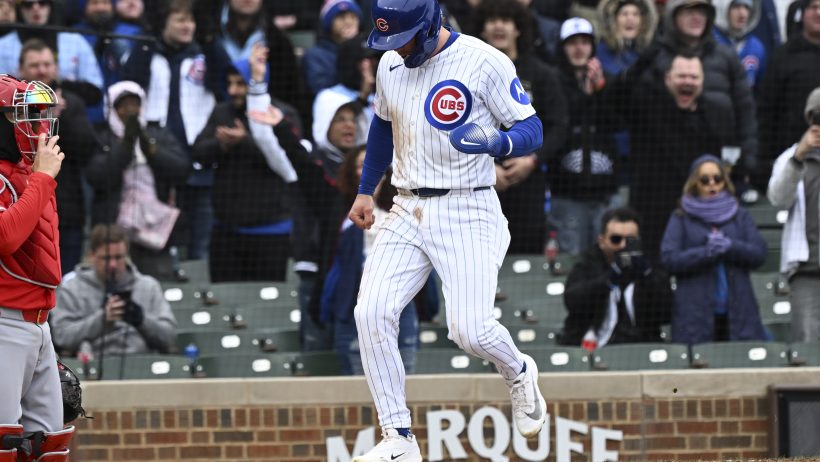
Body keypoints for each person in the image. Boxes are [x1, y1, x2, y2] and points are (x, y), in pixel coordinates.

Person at [346, 0, 547, 458]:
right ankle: (397, 438)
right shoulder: (391, 62)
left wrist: (500, 142)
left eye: (405, 37)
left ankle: (517, 371)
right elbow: (382, 125)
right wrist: (364, 189)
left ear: (430, 20)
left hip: (467, 206)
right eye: (389, 41)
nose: (399, 49)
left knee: (470, 331)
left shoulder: (482, 60)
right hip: (406, 204)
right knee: (370, 312)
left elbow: (532, 126)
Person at [0, 74, 75, 460]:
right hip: (3, 321)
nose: (38, 126)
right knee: (4, 444)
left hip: (38, 321)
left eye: (40, 115)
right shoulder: (32, 175)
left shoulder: (30, 173)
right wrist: (43, 178)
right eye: (24, 116)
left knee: (48, 446)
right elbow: (6, 237)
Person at [121, 0, 232, 261]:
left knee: (200, 243)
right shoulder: (146, 51)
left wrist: (210, 38)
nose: (188, 26)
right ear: (164, 23)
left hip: (199, 162)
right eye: (180, 20)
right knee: (159, 243)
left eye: (191, 20)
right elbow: (129, 85)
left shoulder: (204, 54)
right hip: (156, 162)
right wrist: (147, 41)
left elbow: (226, 82)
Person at [192, 44, 297, 282]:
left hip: (271, 232)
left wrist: (245, 141)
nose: (233, 90)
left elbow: (289, 161)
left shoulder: (280, 114)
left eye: (240, 84)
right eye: (230, 84)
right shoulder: (222, 112)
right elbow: (198, 153)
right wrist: (221, 146)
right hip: (226, 232)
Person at [472, 0, 568, 253]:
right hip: (478, 182)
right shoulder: (467, 76)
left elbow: (559, 125)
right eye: (492, 20)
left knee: (527, 254)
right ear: (482, 29)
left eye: (506, 20)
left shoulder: (542, 75)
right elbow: (455, 126)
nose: (498, 26)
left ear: (518, 28)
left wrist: (533, 161)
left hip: (529, 180)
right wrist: (486, 165)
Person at [320, 148, 420, 375]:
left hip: (399, 308)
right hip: (351, 309)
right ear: (350, 173)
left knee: (404, 382)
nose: (370, 173)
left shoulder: (404, 212)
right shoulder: (337, 213)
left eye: (376, 168)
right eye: (361, 166)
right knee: (357, 389)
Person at [85, 80, 190, 281]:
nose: (130, 110)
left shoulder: (158, 134)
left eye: (135, 104)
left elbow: (181, 170)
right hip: (114, 234)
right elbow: (98, 177)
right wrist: (125, 145)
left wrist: (149, 148)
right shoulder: (100, 137)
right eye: (123, 106)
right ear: (112, 109)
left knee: (157, 285)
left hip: (156, 230)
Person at [661, 155, 767, 344]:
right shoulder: (680, 217)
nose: (712, 184)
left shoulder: (739, 214)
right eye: (704, 179)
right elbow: (669, 258)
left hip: (739, 311)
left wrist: (730, 246)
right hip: (695, 314)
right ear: (695, 183)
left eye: (717, 178)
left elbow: (759, 253)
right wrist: (704, 253)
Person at [17, 39, 97, 275]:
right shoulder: (11, 104)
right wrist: (40, 117)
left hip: (67, 207)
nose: (41, 70)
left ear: (56, 67)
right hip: (23, 204)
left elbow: (85, 147)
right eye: (34, 65)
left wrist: (60, 119)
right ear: (22, 69)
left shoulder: (73, 103)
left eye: (46, 64)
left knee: (65, 277)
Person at [548, 18, 621, 256]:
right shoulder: (553, 80)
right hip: (566, 188)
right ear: (562, 47)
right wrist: (585, 96)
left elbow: (617, 122)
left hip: (605, 188)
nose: (579, 48)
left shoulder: (608, 80)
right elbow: (561, 122)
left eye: (584, 42)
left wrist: (599, 89)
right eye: (572, 43)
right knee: (572, 257)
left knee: (607, 255)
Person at [51, 224, 177, 358]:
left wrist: (141, 320)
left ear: (127, 255)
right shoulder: (71, 289)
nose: (113, 265)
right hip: (92, 367)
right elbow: (61, 337)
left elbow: (170, 337)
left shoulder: (148, 286)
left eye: (118, 257)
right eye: (106, 258)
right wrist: (102, 319)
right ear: (92, 256)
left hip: (140, 365)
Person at [561, 208, 673, 349]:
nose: (623, 246)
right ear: (601, 241)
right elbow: (572, 301)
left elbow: (666, 312)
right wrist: (607, 280)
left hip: (640, 347)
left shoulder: (651, 265)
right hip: (594, 346)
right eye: (616, 239)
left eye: (631, 240)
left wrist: (647, 276)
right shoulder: (587, 264)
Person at [767, 87, 820, 343]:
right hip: (806, 269)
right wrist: (800, 156)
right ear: (810, 120)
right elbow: (778, 200)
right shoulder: (790, 157)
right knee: (807, 342)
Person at [757, 0, 820, 183]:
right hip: (791, 158)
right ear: (802, 13)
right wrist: (764, 160)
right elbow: (767, 111)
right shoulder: (783, 56)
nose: (818, 13)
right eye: (813, 7)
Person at [0, 0, 103, 106]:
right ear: (19, 9)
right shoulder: (2, 46)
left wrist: (62, 93)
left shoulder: (75, 41)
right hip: (16, 118)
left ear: (51, 6)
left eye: (43, 3)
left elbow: (94, 93)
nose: (36, 8)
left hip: (68, 115)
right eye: (28, 4)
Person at [303, 0, 362, 96]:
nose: (349, 22)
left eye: (353, 17)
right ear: (329, 23)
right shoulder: (315, 55)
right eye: (341, 17)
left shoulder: (366, 49)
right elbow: (321, 91)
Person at [712, 0, 766, 88]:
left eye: (747, 7)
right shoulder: (710, 42)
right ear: (723, 8)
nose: (743, 14)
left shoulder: (756, 47)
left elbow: (760, 90)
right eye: (736, 7)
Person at [596, 0, 658, 75]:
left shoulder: (651, 53)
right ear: (614, 20)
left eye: (635, 14)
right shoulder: (601, 51)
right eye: (624, 14)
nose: (630, 19)